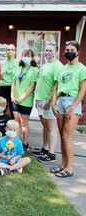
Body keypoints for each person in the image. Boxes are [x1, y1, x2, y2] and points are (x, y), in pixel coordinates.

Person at [51, 40, 86, 178]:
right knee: (62, 136)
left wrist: (72, 107)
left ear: (77, 52)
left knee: (67, 136)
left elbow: (83, 90)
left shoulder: (82, 69)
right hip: (60, 100)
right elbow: (56, 88)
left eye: (72, 50)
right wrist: (53, 104)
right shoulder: (61, 68)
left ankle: (69, 168)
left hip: (73, 101)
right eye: (67, 50)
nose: (69, 52)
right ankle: (63, 164)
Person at [33, 42, 63, 163]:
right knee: (45, 127)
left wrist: (50, 100)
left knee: (51, 127)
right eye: (46, 50)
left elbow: (56, 85)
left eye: (51, 50)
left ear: (56, 52)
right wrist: (37, 99)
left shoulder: (57, 65)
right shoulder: (45, 65)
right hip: (41, 100)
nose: (48, 52)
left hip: (49, 101)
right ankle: (45, 149)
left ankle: (51, 154)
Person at [11, 49, 38, 151]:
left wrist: (21, 98)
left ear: (32, 58)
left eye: (28, 56)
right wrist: (12, 96)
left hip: (26, 101)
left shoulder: (34, 70)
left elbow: (31, 87)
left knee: (24, 123)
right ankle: (16, 141)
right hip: (15, 100)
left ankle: (25, 143)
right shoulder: (18, 68)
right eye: (24, 55)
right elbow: (13, 83)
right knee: (16, 121)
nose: (26, 57)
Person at [0, 44, 19, 119]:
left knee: (13, 109)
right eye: (8, 50)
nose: (10, 51)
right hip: (3, 87)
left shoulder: (18, 63)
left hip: (13, 88)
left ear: (15, 52)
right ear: (6, 51)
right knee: (1, 108)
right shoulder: (1, 63)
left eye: (12, 50)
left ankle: (13, 127)